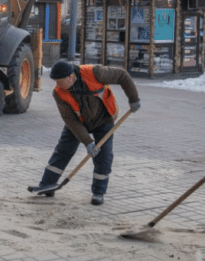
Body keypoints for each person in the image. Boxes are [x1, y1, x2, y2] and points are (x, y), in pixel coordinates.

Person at [35, 60, 141, 205]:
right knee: (63, 150)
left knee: (104, 155)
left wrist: (133, 99)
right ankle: (47, 185)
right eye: (56, 82)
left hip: (103, 119)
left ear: (70, 77)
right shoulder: (59, 93)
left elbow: (122, 75)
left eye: (60, 82)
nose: (58, 85)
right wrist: (87, 141)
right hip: (79, 122)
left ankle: (98, 192)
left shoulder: (94, 73)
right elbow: (70, 120)